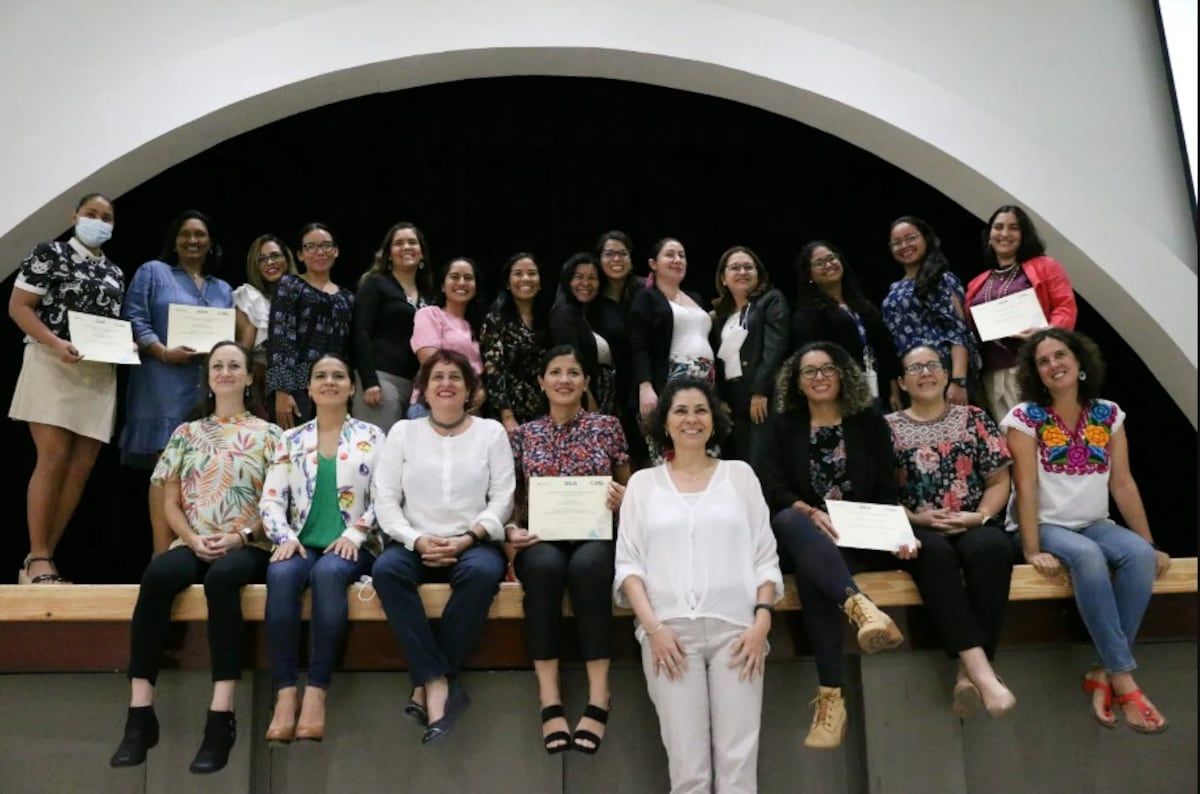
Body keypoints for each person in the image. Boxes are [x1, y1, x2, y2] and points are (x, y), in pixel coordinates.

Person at [109, 341, 280, 774]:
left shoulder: (271, 434)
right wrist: (190, 538)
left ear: (248, 376)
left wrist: (241, 537)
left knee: (224, 581)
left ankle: (220, 717)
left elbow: (278, 503)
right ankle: (139, 714)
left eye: (234, 366)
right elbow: (169, 500)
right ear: (208, 377)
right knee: (159, 575)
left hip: (247, 545)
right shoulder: (186, 433)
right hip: (194, 540)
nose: (225, 372)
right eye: (218, 366)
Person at [615, 378, 782, 793]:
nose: (691, 419)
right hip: (669, 637)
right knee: (688, 770)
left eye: (701, 410)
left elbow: (765, 556)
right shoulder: (642, 484)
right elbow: (629, 566)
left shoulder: (739, 476)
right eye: (681, 411)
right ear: (665, 422)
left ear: (714, 420)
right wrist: (653, 629)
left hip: (738, 634)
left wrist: (761, 622)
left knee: (738, 766)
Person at [1003, 328, 1168, 733]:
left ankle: (1104, 669)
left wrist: (1148, 541)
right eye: (1043, 361)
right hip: (1045, 525)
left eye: (1060, 355)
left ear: (1079, 362)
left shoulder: (1108, 414)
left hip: (1094, 523)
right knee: (1089, 558)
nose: (1053, 365)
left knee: (1141, 557)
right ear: (1035, 373)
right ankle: (1124, 680)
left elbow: (1123, 483)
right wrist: (1030, 548)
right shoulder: (1024, 417)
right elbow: (1025, 487)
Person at [759, 342, 909, 749]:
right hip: (801, 534)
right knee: (792, 522)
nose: (819, 377)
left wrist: (898, 533)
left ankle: (831, 699)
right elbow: (771, 486)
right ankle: (860, 609)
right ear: (797, 382)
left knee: (816, 573)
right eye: (809, 372)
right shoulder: (782, 425)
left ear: (843, 374)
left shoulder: (868, 423)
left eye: (827, 368)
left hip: (858, 538)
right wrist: (808, 512)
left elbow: (884, 490)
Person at [371, 349, 515, 744]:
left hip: (473, 541)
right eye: (437, 378)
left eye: (456, 377)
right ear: (423, 390)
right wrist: (415, 538)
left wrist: (468, 538)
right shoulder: (403, 433)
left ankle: (426, 683)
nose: (447, 384)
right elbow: (385, 498)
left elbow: (502, 499)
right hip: (414, 540)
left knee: (483, 573)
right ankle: (438, 682)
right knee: (386, 571)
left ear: (469, 390)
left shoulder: (491, 433)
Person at [506, 345, 631, 755]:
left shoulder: (607, 426)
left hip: (595, 535)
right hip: (540, 538)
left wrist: (622, 497)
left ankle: (599, 693)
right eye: (555, 372)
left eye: (574, 372)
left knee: (590, 568)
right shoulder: (523, 435)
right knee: (541, 570)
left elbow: (630, 488)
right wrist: (511, 531)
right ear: (541, 382)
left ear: (586, 382)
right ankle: (549, 697)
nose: (564, 379)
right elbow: (509, 499)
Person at [885, 345, 1017, 717]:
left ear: (946, 374)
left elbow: (997, 480)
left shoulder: (974, 418)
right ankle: (984, 674)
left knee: (992, 549)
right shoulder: (886, 428)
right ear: (901, 382)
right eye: (914, 368)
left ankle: (968, 673)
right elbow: (879, 492)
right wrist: (916, 519)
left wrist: (978, 517)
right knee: (935, 555)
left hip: (971, 521)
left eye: (932, 366)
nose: (924, 373)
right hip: (917, 526)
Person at [260, 353, 385, 744]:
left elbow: (388, 498)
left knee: (329, 574)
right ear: (310, 388)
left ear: (351, 387)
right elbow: (271, 499)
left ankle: (316, 692)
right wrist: (284, 538)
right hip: (301, 543)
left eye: (338, 376)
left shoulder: (373, 436)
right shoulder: (290, 438)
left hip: (353, 544)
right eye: (320, 376)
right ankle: (284, 695)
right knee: (280, 575)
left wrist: (355, 535)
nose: (329, 381)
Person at [9, 193, 124, 584]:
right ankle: (39, 556)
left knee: (81, 469)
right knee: (53, 457)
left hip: (97, 373)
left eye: (106, 217)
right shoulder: (49, 253)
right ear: (75, 216)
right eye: (91, 214)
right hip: (52, 363)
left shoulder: (114, 271)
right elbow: (19, 306)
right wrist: (56, 343)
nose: (98, 221)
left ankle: (40, 559)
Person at [120, 209, 235, 555]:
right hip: (160, 378)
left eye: (200, 234)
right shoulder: (153, 272)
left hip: (203, 384)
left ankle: (193, 552)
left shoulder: (222, 288)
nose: (192, 240)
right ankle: (161, 554)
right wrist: (162, 351)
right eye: (185, 234)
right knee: (165, 469)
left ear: (211, 242)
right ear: (174, 239)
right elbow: (135, 318)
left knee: (197, 472)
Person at [966, 205, 1077, 424]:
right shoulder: (977, 283)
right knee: (1012, 441)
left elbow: (1066, 307)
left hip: (1037, 368)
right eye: (998, 227)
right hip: (993, 374)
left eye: (1013, 228)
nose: (1005, 234)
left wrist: (1046, 333)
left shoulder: (1046, 266)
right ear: (989, 235)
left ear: (1024, 234)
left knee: (1050, 436)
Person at [628, 238, 713, 461]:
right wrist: (645, 386)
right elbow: (639, 345)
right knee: (668, 450)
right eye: (670, 255)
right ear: (653, 264)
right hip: (669, 379)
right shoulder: (646, 297)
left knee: (704, 449)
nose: (677, 260)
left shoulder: (695, 297)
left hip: (705, 381)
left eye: (681, 255)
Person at [793, 240, 901, 413]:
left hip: (880, 394)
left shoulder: (865, 306)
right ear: (810, 275)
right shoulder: (807, 315)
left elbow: (885, 350)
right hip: (842, 400)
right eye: (820, 263)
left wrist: (894, 391)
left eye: (831, 258)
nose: (829, 265)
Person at [267, 222, 354, 430]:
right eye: (311, 246)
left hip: (336, 387)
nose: (320, 252)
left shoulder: (347, 297)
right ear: (299, 254)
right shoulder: (290, 286)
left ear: (336, 251)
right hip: (298, 388)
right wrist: (282, 391)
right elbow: (281, 338)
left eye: (326, 245)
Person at [708, 245, 789, 469]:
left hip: (762, 395)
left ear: (758, 274)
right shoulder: (720, 316)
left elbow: (775, 347)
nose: (742, 272)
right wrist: (720, 398)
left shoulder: (770, 300)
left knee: (761, 463)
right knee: (737, 463)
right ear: (723, 278)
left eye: (748, 267)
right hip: (732, 400)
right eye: (735, 268)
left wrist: (760, 390)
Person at [883, 217, 976, 406]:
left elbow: (958, 332)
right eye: (897, 242)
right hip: (912, 378)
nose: (904, 245)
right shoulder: (894, 288)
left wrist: (958, 381)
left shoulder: (942, 279)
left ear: (926, 239)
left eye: (911, 238)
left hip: (942, 374)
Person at [352, 221, 434, 431]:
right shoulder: (376, 284)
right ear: (389, 254)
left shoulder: (428, 296)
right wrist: (369, 381)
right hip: (381, 379)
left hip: (415, 388)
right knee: (379, 451)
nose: (406, 247)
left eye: (412, 242)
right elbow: (360, 332)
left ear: (422, 253)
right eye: (398, 243)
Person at [406, 257, 486, 418]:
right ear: (442, 285)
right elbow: (430, 360)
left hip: (468, 409)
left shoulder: (477, 325)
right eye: (455, 277)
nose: (462, 282)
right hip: (430, 406)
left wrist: (482, 391)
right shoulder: (430, 314)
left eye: (468, 278)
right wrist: (472, 384)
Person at [590, 230, 646, 461]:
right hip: (607, 392)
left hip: (644, 384)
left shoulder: (646, 294)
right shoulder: (589, 300)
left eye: (622, 253)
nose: (616, 259)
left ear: (631, 260)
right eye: (609, 253)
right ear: (598, 259)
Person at [481, 252, 551, 431]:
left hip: (544, 410)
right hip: (508, 412)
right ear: (507, 283)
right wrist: (507, 416)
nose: (526, 278)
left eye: (532, 273)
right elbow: (494, 370)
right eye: (518, 273)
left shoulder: (548, 318)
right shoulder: (495, 319)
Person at [234, 234, 298, 418]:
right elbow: (244, 350)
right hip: (262, 384)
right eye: (261, 259)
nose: (270, 262)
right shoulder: (250, 296)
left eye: (275, 256)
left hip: (302, 380)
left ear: (287, 258)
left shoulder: (302, 294)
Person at [548, 253, 617, 415]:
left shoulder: (584, 313)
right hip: (585, 404)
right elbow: (570, 365)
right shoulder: (563, 314)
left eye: (592, 278)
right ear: (568, 280)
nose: (586, 283)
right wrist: (588, 403)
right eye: (579, 277)